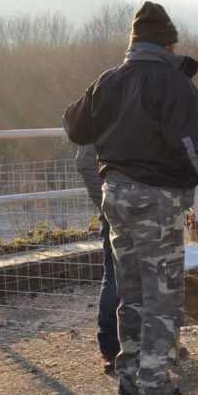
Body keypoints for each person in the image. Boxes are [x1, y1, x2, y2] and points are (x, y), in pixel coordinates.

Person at [64, 1, 198, 395]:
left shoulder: (108, 81)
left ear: (133, 44)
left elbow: (74, 125)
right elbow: (195, 149)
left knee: (131, 292)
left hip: (115, 195)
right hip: (156, 199)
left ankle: (131, 379)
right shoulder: (171, 83)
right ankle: (156, 389)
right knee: (163, 295)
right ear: (170, 43)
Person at [75, 144, 120, 373]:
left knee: (148, 277)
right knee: (114, 277)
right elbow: (86, 162)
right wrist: (105, 203)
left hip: (146, 208)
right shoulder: (101, 110)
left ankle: (149, 344)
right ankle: (111, 348)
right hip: (116, 210)